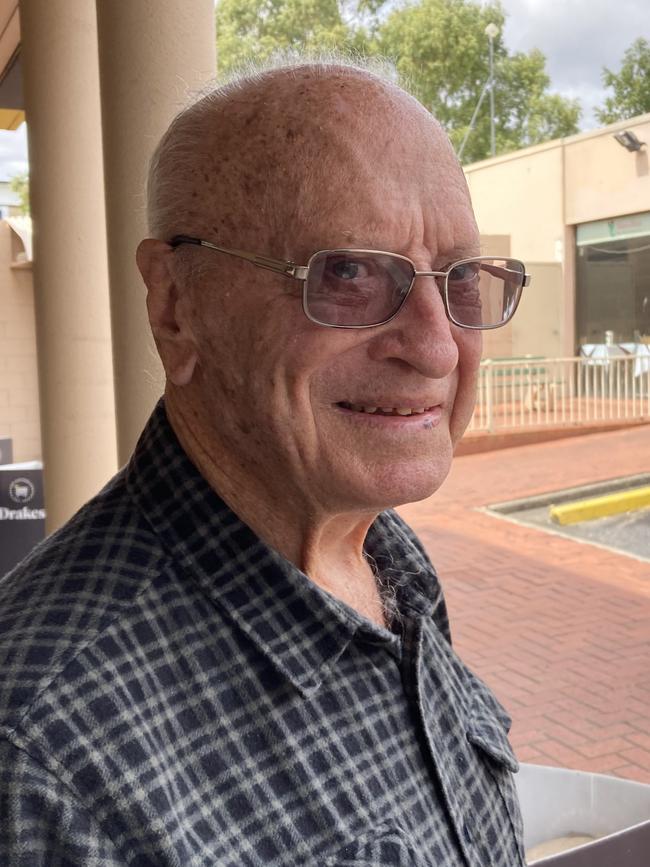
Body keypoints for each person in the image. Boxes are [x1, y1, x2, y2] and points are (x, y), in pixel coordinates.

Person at [0, 60, 530, 866]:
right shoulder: (43, 756)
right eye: (349, 273)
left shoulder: (383, 552)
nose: (434, 347)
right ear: (176, 306)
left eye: (459, 280)